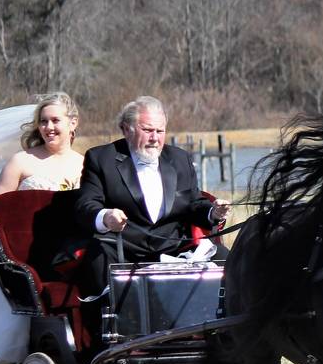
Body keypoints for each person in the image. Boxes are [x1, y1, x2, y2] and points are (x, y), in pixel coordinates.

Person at [0, 92, 84, 364]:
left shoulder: (86, 164)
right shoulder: (22, 162)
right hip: (20, 246)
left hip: (66, 248)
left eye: (55, 120)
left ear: (73, 123)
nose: (49, 127)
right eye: (43, 121)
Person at [74, 96, 230, 293]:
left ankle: (223, 321)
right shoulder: (101, 158)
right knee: (98, 257)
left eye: (160, 131)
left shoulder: (180, 158)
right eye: (147, 130)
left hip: (174, 249)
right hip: (124, 250)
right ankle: (111, 322)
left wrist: (213, 212)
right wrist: (106, 217)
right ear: (126, 129)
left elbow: (194, 204)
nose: (155, 138)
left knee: (227, 259)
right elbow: (86, 206)